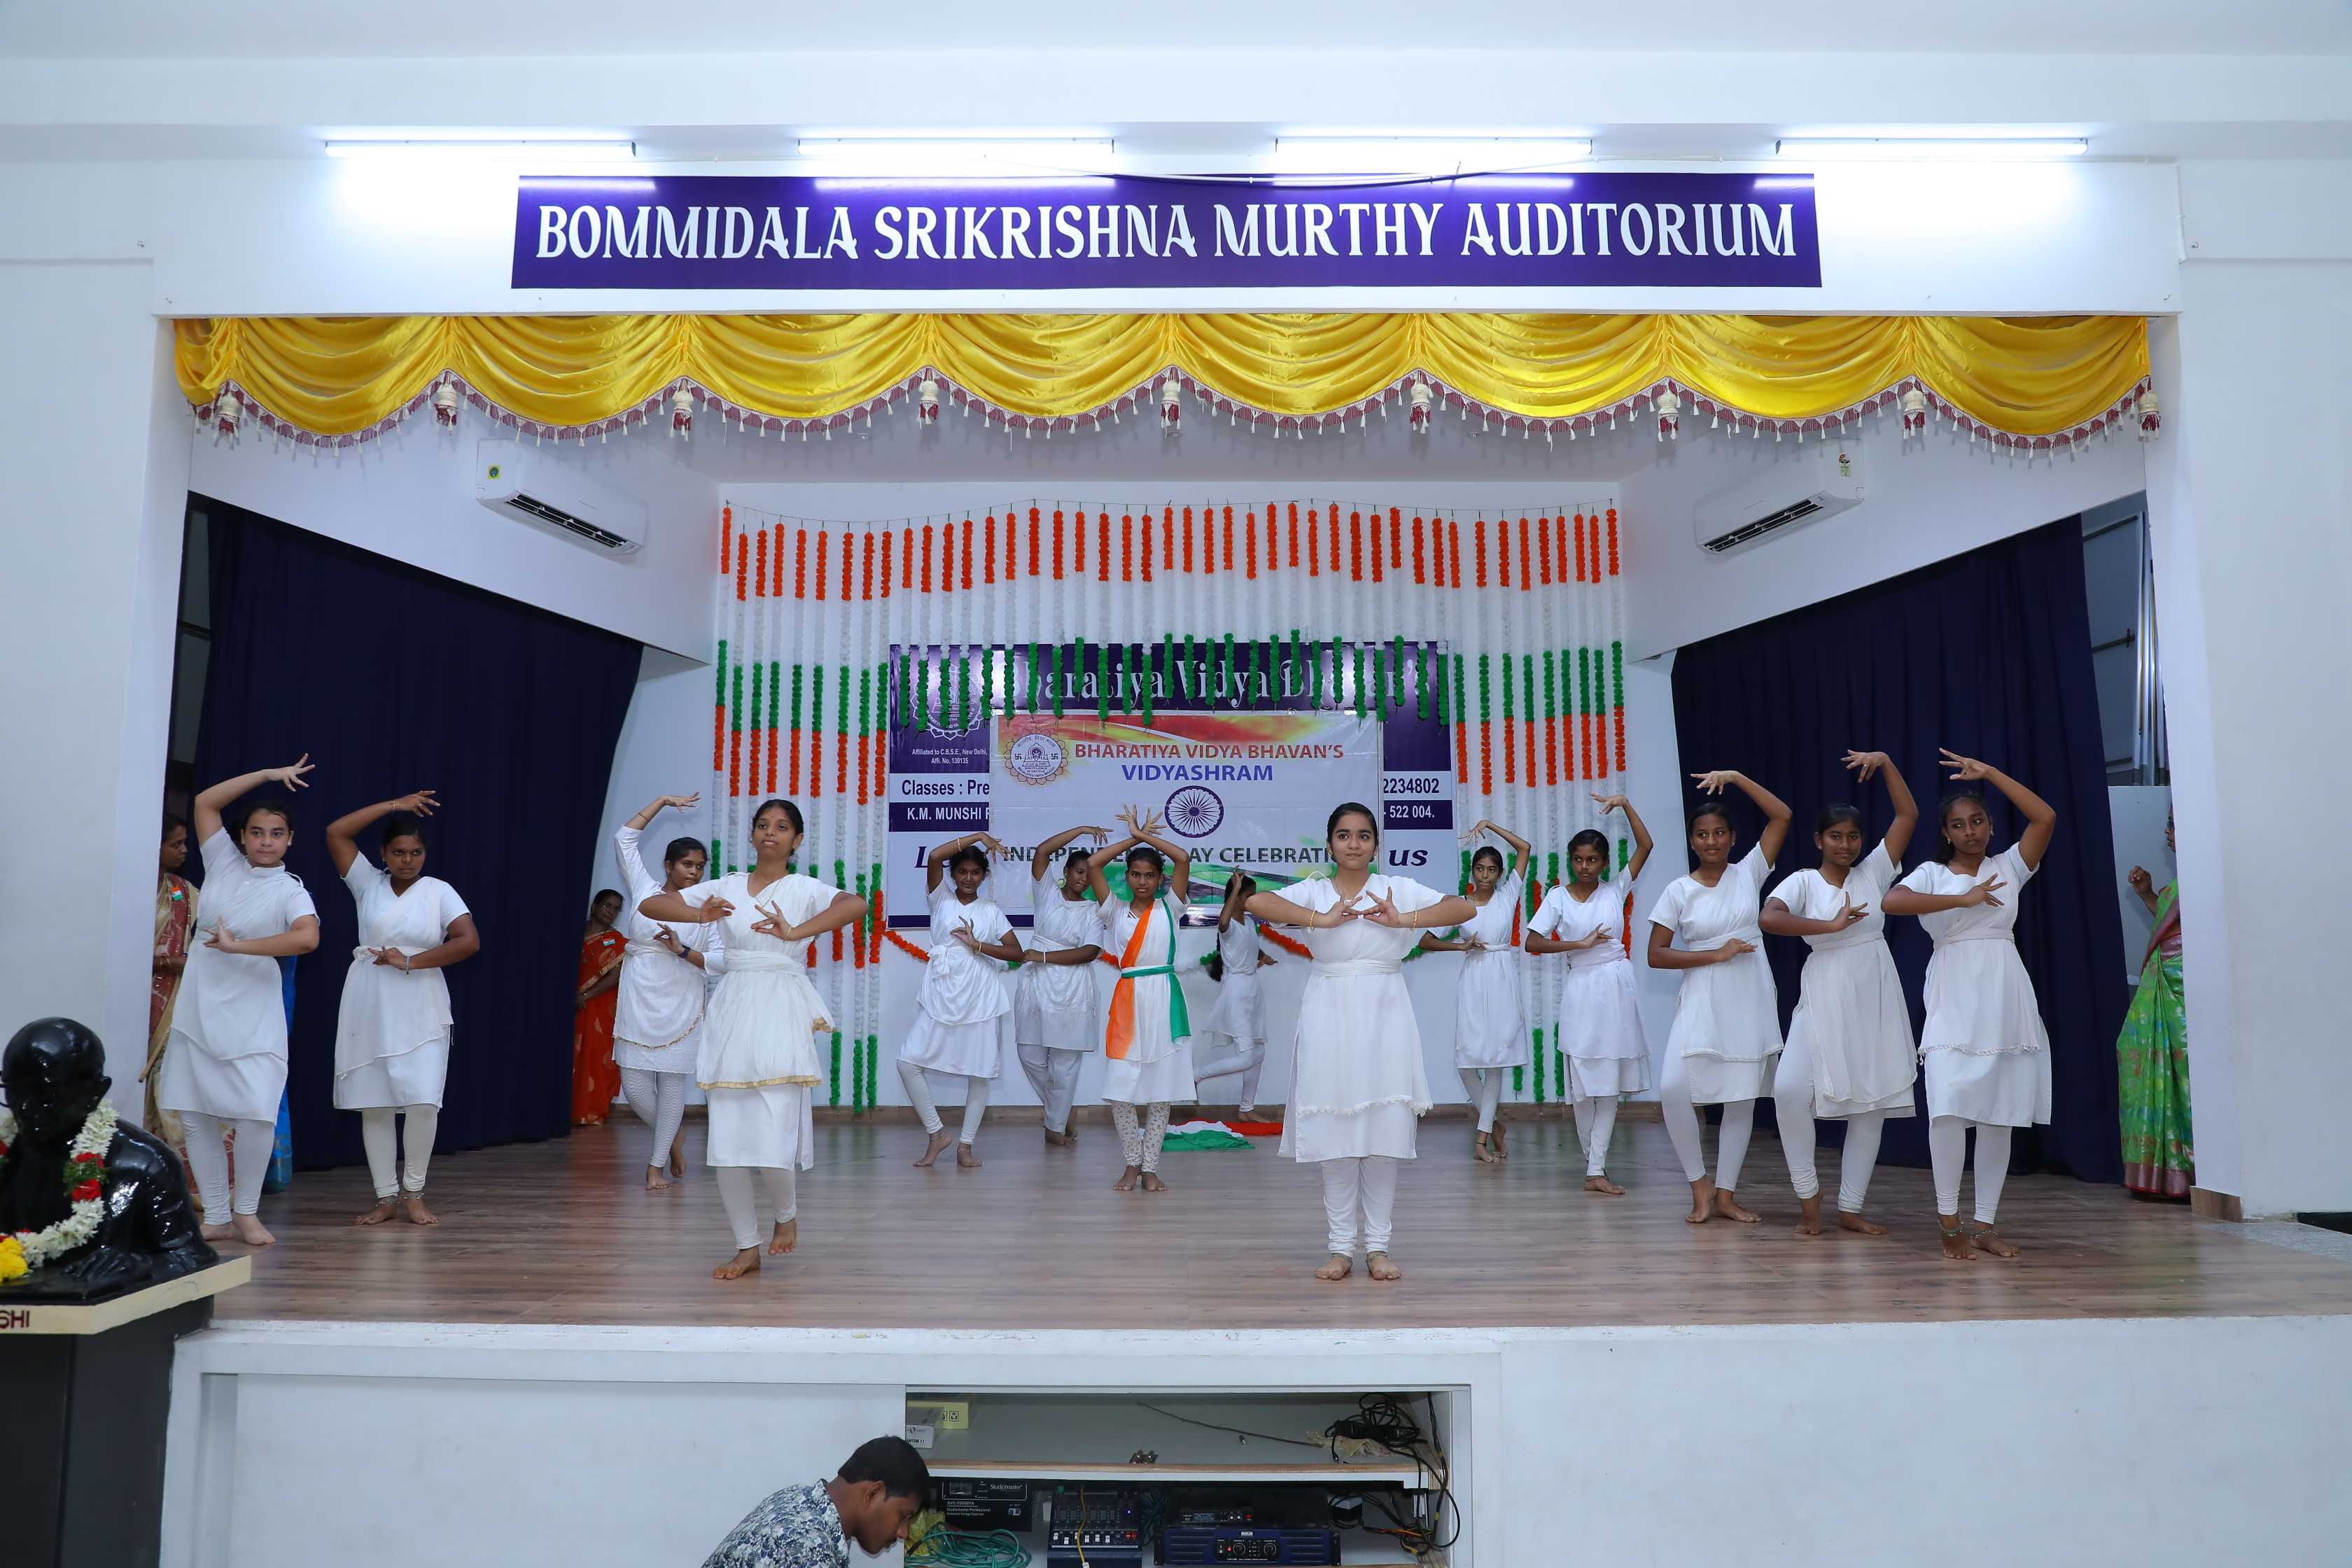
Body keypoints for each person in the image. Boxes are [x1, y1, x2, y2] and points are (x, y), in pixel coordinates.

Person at [639, 797, 866, 1280]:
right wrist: (700, 917)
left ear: (796, 840)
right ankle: (747, 1247)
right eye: (763, 824)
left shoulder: (804, 888)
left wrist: (796, 931)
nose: (770, 832)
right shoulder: (726, 886)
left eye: (782, 827)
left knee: (775, 1126)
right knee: (728, 1138)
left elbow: (856, 904)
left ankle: (786, 1213)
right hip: (733, 1006)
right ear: (752, 834)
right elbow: (651, 904)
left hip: (781, 1006)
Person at [1245, 802, 1474, 1281]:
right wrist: (1321, 919)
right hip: (1328, 1010)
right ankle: (1340, 1249)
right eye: (1344, 835)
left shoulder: (1397, 888)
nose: (1354, 844)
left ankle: (1378, 1248)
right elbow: (1257, 902)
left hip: (1385, 1011)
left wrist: (1403, 920)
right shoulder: (1314, 890)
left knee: (1382, 1135)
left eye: (1364, 835)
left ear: (1376, 844)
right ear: (1330, 844)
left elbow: (1463, 907)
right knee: (1336, 1136)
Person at [1882, 751, 2058, 1261]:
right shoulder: (1932, 873)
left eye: (1977, 821)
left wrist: (1992, 774)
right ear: (1946, 832)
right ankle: (1949, 1222)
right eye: (1958, 825)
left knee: (1999, 1114)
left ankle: (1984, 1225)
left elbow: (2045, 817)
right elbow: (1892, 902)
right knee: (1948, 1108)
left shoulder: (2009, 867)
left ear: (1990, 824)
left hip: (2004, 991)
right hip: (1954, 993)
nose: (1970, 832)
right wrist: (1962, 899)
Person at [154, 758, 321, 1247]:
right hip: (201, 1002)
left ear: (290, 840)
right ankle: (218, 1214)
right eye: (257, 833)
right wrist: (268, 775)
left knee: (256, 1113)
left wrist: (239, 947)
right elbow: (206, 802)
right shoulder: (224, 863)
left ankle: (247, 1211)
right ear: (243, 838)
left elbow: (307, 938)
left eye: (276, 834)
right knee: (196, 1114)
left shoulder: (291, 891)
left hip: (253, 1008)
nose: (266, 842)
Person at [1760, 751, 1919, 1238]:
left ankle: (1851, 1206)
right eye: (1835, 836)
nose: (1845, 844)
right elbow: (1769, 917)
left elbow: (1908, 815)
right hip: (1824, 987)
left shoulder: (1874, 871)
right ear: (1819, 840)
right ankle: (1808, 1193)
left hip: (1873, 989)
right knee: (1789, 1090)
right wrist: (1828, 926)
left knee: (1870, 1101)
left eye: (1852, 836)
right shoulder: (1804, 881)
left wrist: (1887, 764)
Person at [325, 790, 481, 1227]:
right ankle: (385, 1197)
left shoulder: (439, 891)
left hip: (421, 1001)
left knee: (423, 1100)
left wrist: (411, 961)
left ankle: (414, 1192)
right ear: (383, 854)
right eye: (398, 852)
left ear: (425, 854)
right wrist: (394, 806)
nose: (408, 860)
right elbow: (336, 832)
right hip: (370, 999)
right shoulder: (367, 883)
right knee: (374, 1102)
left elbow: (468, 941)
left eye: (416, 853)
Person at [1646, 769, 1792, 1226]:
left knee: (1740, 1096)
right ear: (1692, 841)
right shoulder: (1678, 890)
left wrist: (1738, 778)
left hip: (1749, 991)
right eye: (1702, 835)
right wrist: (1716, 954)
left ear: (1732, 837)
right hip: (1702, 993)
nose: (1711, 841)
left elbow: (1782, 816)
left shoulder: (1748, 872)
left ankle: (1726, 1194)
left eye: (1719, 833)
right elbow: (1656, 955)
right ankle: (1699, 1186)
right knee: (1673, 1088)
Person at [1, 1017, 218, 1294]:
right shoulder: (7, 1155)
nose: (24, 1108)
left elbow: (193, 1256)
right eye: (14, 1090)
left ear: (96, 1092)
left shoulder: (145, 1165)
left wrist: (140, 1266)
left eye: (45, 1094)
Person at [1525, 793, 1656, 1194]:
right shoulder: (1557, 897)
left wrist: (1627, 804)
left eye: (1593, 860)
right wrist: (1577, 945)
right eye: (1579, 860)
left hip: (1616, 987)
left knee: (1609, 1082)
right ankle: (1593, 1166)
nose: (1585, 867)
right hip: (1581, 989)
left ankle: (1596, 1169)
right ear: (1570, 861)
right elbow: (1532, 942)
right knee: (1582, 1084)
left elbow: (1646, 845)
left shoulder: (1615, 890)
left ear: (1604, 863)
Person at [1087, 806, 1198, 1193]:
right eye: (1136, 874)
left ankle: (1150, 1167)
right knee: (1121, 1089)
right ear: (1127, 876)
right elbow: (1094, 864)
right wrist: (1132, 838)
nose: (1142, 881)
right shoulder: (1113, 911)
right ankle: (1131, 1162)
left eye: (1150, 875)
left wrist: (1145, 837)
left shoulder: (1171, 907)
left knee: (1160, 1091)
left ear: (1160, 879)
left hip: (1164, 1002)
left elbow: (1182, 857)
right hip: (1129, 1002)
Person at [902, 832, 1023, 1169]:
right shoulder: (940, 898)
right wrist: (981, 836)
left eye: (975, 872)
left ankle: (966, 1145)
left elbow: (1016, 953)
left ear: (984, 876)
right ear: (953, 874)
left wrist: (977, 945)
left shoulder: (991, 911)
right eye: (962, 872)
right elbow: (934, 856)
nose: (969, 878)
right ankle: (936, 1133)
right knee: (908, 1063)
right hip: (941, 991)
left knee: (979, 1073)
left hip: (980, 995)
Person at [614, 793, 716, 1189]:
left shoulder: (709, 910)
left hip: (683, 996)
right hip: (639, 993)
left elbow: (717, 959)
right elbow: (624, 838)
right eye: (687, 865)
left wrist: (683, 950)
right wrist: (661, 802)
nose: (694, 872)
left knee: (672, 1085)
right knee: (635, 1088)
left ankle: (655, 1167)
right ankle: (671, 1137)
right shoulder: (645, 888)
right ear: (669, 865)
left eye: (700, 867)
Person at [1415, 819, 1532, 1163]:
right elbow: (1425, 940)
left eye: (1492, 870)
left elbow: (1524, 848)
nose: (1485, 875)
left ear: (1500, 874)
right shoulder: (1460, 905)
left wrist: (1489, 825)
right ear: (1472, 870)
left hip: (1501, 977)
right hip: (1474, 978)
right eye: (1480, 869)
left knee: (1496, 1062)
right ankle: (1493, 1125)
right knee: (1466, 1061)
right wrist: (1459, 947)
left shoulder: (1508, 895)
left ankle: (1481, 1140)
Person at [1014, 823, 1108, 1147]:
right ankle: (1061, 1111)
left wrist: (1042, 956)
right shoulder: (1048, 895)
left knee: (1066, 1063)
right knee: (1029, 1054)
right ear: (1066, 872)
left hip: (1073, 988)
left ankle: (1054, 1127)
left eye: (1090, 875)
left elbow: (1090, 952)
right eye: (1079, 871)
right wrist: (1081, 830)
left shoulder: (1094, 911)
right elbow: (1042, 851)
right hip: (1037, 985)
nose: (1084, 879)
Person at [703, 1436, 932, 1568]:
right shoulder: (809, 1549)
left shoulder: (799, 1498)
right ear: (873, 1493)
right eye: (903, 1516)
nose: (903, 1533)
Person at [2118, 811, 2190, 1198]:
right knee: (2136, 1049)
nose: (2167, 831)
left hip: (2187, 995)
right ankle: (2162, 1173)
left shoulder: (2209, 878)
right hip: (2166, 988)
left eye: (2175, 823)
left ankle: (2193, 1171)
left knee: (2186, 1075)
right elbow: (2171, 925)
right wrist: (2148, 895)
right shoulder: (2180, 885)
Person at [1193, 871, 1276, 1119]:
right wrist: (1235, 888)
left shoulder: (1249, 923)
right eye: (1248, 895)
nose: (1253, 900)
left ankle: (1246, 1109)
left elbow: (1249, 943)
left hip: (1253, 989)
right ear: (1236, 897)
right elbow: (1223, 922)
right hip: (1237, 991)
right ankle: (1195, 1076)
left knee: (1258, 1053)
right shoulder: (1227, 926)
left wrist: (1263, 957)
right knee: (1245, 1058)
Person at [141, 811, 199, 1158]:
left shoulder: (183, 892)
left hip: (176, 1003)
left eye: (185, 843)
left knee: (170, 1080)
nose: (184, 850)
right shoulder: (127, 892)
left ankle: (172, 1166)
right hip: (135, 1000)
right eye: (176, 844)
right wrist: (167, 963)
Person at [573, 888, 627, 1126]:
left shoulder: (617, 941)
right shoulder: (574, 932)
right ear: (594, 906)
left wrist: (584, 995)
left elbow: (615, 977)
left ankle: (590, 1112)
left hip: (599, 1006)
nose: (611, 911)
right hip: (572, 1003)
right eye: (607, 905)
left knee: (595, 1057)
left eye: (616, 909)